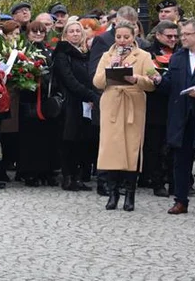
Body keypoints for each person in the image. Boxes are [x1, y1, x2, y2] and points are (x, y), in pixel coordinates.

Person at [92, 22, 158, 211]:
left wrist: (137, 79)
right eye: (118, 37)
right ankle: (112, 194)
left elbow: (153, 82)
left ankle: (130, 194)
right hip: (112, 102)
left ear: (134, 36)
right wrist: (109, 69)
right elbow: (97, 82)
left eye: (126, 37)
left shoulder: (144, 56)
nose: (122, 41)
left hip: (133, 103)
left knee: (132, 149)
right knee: (111, 149)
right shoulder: (107, 56)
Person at [162, 19, 195, 214]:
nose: (181, 38)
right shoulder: (177, 57)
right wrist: (159, 81)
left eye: (186, 34)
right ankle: (181, 200)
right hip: (183, 115)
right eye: (181, 35)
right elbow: (170, 84)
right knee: (181, 159)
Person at [54, 19, 101, 192]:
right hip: (70, 102)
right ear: (65, 35)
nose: (75, 34)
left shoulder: (84, 53)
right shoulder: (62, 53)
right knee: (68, 140)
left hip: (84, 103)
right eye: (71, 31)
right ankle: (68, 177)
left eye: (78, 31)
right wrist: (90, 95)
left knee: (82, 140)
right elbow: (69, 80)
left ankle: (78, 176)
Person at [15, 20, 59, 186]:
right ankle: (29, 172)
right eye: (35, 32)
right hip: (30, 97)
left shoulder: (48, 50)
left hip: (46, 97)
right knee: (30, 138)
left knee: (48, 136)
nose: (39, 34)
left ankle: (46, 171)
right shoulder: (23, 50)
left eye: (41, 31)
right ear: (29, 33)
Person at [142, 20, 180, 196]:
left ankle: (174, 181)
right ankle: (156, 181)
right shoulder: (148, 54)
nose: (173, 39)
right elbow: (148, 74)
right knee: (155, 145)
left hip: (176, 104)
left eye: (175, 36)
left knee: (174, 145)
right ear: (158, 35)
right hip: (155, 105)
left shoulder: (181, 53)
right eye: (169, 36)